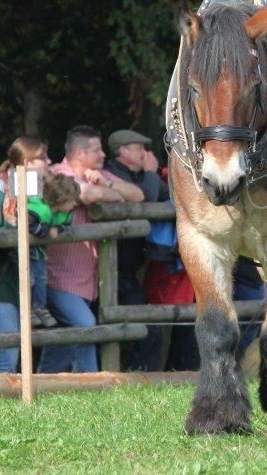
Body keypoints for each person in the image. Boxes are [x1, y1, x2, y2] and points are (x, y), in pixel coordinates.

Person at [37, 125, 142, 374]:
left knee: (67, 336)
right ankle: (94, 383)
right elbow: (88, 195)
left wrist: (108, 184)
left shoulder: (99, 173)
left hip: (87, 281)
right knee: (85, 324)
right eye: (97, 150)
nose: (104, 154)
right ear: (80, 154)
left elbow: (137, 195)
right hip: (58, 278)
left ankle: (43, 379)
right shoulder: (55, 175)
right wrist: (110, 193)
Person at [0, 136, 53, 375]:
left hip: (24, 282)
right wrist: (20, 230)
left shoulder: (35, 192)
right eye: (42, 158)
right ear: (26, 162)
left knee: (16, 360)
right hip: (1, 285)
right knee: (6, 361)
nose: (48, 162)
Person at [103, 129, 166, 370]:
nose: (145, 153)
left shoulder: (138, 175)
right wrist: (151, 173)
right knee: (103, 328)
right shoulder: (111, 174)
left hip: (128, 274)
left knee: (150, 328)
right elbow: (147, 197)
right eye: (139, 148)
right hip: (107, 273)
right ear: (123, 151)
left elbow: (164, 195)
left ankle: (140, 376)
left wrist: (151, 175)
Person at [25, 172, 81, 327]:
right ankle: (29, 309)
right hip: (27, 253)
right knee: (29, 280)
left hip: (40, 252)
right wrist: (46, 232)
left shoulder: (64, 214)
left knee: (41, 279)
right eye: (72, 200)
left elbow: (65, 225)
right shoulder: (38, 209)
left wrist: (57, 228)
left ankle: (40, 308)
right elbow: (26, 223)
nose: (76, 204)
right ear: (61, 199)